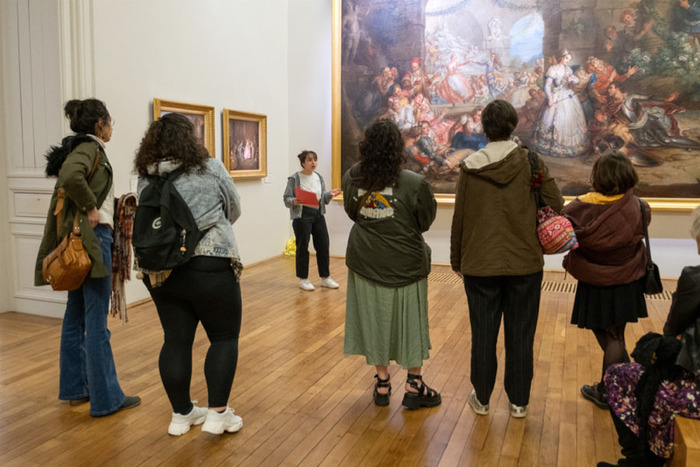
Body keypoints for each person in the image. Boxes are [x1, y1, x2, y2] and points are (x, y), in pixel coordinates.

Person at [450, 99, 564, 419]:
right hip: (524, 262)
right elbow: (556, 201)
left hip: (480, 264)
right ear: (513, 124)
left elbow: (460, 218)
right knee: (521, 334)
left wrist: (456, 260)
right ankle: (518, 401)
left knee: (483, 334)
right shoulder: (531, 162)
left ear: (484, 128)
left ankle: (482, 398)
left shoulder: (471, 166)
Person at [134, 113, 243, 436]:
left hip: (161, 271)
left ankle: (181, 415)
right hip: (210, 262)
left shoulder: (146, 176)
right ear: (190, 138)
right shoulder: (210, 167)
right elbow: (233, 209)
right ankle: (217, 414)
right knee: (223, 337)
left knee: (176, 339)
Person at [34, 98, 140, 417]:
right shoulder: (89, 149)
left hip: (81, 239)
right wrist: (93, 207)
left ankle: (75, 388)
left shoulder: (81, 147)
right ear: (99, 125)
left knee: (75, 315)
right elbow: (70, 176)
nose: (112, 128)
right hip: (94, 240)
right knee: (95, 322)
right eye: (110, 122)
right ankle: (106, 398)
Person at [342, 119, 440, 410]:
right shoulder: (414, 183)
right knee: (410, 323)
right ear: (398, 148)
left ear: (366, 146)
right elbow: (425, 221)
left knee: (374, 321)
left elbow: (352, 212)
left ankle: (382, 383)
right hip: (405, 263)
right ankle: (414, 383)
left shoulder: (352, 178)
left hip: (366, 261)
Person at [598, 206, 700, 467]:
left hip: (695, 392)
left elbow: (671, 329)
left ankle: (638, 460)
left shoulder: (695, 278)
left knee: (619, 377)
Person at [562, 150, 650, 411]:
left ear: (597, 176)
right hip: (626, 277)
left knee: (610, 335)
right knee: (615, 334)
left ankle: (607, 391)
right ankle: (631, 381)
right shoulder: (638, 206)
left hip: (593, 278)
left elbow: (564, 230)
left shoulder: (579, 207)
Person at [283, 150, 341, 291]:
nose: (313, 162)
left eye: (315, 159)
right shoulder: (294, 178)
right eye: (309, 160)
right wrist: (294, 201)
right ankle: (303, 279)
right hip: (302, 216)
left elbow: (323, 198)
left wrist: (330, 194)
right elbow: (286, 198)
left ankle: (325, 278)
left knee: (323, 245)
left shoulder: (318, 177)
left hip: (318, 215)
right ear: (303, 163)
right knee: (303, 247)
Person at [532, 49, 590, 157]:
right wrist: (550, 98)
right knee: (552, 119)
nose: (568, 61)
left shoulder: (568, 69)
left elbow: (576, 80)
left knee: (570, 117)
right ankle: (553, 145)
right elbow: (548, 86)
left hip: (568, 95)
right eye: (567, 58)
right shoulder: (553, 69)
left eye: (569, 59)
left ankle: (567, 144)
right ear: (562, 58)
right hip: (557, 95)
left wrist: (571, 80)